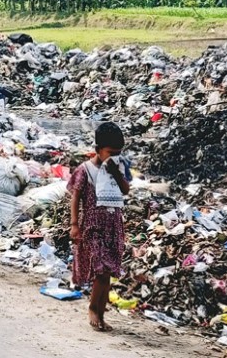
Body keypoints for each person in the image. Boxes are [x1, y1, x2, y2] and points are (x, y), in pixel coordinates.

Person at [69, 122, 131, 332]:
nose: (115, 156)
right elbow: (75, 197)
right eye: (111, 153)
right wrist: (74, 225)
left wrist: (116, 173)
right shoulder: (85, 170)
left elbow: (125, 190)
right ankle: (93, 309)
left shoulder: (117, 167)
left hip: (113, 226)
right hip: (93, 226)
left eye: (118, 153)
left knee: (108, 273)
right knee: (101, 270)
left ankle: (101, 312)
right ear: (98, 149)